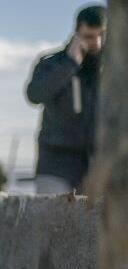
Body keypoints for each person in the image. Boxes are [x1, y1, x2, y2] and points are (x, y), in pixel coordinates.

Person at [25, 4, 105, 194]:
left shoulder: (115, 71)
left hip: (100, 165)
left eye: (102, 35)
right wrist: (70, 64)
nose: (97, 43)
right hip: (56, 164)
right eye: (89, 37)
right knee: (52, 219)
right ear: (77, 34)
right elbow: (35, 95)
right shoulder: (51, 63)